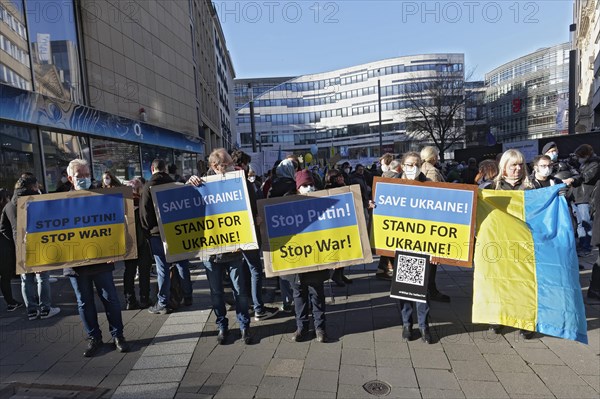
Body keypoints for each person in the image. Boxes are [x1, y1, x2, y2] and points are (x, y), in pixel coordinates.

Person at [65, 159, 129, 356]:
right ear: (70, 178)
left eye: (86, 175)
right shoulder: (60, 202)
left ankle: (118, 335)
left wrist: (115, 250)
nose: (84, 178)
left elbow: (116, 225)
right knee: (84, 302)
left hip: (101, 260)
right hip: (76, 263)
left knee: (110, 299)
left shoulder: (102, 198)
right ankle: (94, 338)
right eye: (79, 176)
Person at [188, 148, 252, 344]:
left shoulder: (238, 182)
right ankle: (222, 326)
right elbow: (183, 204)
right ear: (215, 166)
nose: (231, 167)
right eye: (227, 165)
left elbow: (251, 202)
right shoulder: (200, 184)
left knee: (240, 291)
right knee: (216, 293)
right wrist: (188, 184)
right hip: (210, 253)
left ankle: (244, 326)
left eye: (231, 164)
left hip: (234, 249)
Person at [485, 149, 535, 339]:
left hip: (525, 244)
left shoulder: (533, 188)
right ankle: (498, 317)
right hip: (500, 244)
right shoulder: (491, 188)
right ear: (504, 167)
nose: (518, 168)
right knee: (499, 282)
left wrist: (561, 194)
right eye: (513, 165)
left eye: (521, 164)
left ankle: (525, 320)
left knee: (525, 283)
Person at [0, 175, 60, 321]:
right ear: (32, 187)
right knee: (42, 278)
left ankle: (32, 311)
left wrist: (15, 240)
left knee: (25, 279)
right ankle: (45, 309)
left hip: (21, 246)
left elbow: (3, 228)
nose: (38, 187)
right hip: (40, 243)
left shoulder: (9, 206)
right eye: (36, 186)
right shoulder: (37, 201)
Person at [230, 149, 279, 322]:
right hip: (248, 233)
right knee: (255, 270)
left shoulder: (222, 178)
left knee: (238, 269)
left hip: (231, 234)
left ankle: (245, 306)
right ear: (243, 164)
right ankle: (258, 308)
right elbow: (253, 203)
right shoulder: (244, 180)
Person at [140, 159, 193, 314]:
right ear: (165, 169)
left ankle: (163, 302)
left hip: (157, 233)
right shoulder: (175, 185)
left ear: (152, 169)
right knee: (182, 263)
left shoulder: (148, 187)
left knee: (162, 267)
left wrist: (147, 232)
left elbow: (144, 213)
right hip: (176, 230)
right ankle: (188, 296)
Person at [395, 152, 433, 343]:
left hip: (423, 244)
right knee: (404, 288)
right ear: (402, 166)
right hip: (401, 242)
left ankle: (424, 326)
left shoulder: (430, 186)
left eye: (417, 164)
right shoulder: (392, 186)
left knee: (422, 291)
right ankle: (407, 324)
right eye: (409, 164)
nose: (413, 168)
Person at [289, 169, 330, 343]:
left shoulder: (323, 202)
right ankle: (302, 328)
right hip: (296, 260)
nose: (309, 188)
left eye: (311, 184)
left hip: (316, 258)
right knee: (299, 296)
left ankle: (320, 328)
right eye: (305, 185)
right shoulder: (287, 204)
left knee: (317, 294)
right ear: (298, 188)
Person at [419, 146, 450, 303]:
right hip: (431, 219)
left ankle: (426, 290)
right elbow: (437, 195)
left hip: (421, 219)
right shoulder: (431, 171)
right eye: (436, 155)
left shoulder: (419, 168)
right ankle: (430, 290)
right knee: (431, 259)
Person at [268, 159, 298, 312]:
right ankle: (298, 298)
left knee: (283, 268)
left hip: (277, 231)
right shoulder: (294, 185)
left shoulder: (273, 185)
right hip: (294, 228)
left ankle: (287, 301)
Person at [564, 144, 600, 257]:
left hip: (586, 197)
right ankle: (582, 245)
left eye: (580, 156)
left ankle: (587, 247)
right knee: (580, 224)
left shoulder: (595, 163)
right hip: (577, 197)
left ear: (586, 154)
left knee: (586, 223)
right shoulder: (583, 164)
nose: (578, 158)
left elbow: (586, 177)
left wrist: (573, 178)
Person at [122, 178, 151, 310]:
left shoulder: (122, 204)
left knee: (129, 272)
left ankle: (130, 300)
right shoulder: (143, 202)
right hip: (143, 242)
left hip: (128, 244)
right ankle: (144, 298)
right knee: (144, 272)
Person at [324, 169, 353, 287]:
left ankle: (340, 273)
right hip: (335, 225)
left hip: (345, 223)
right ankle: (336, 274)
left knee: (346, 250)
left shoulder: (344, 187)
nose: (341, 179)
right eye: (338, 177)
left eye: (342, 176)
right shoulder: (329, 190)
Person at [0, 188, 21, 312]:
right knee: (5, 277)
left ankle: (11, 303)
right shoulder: (7, 209)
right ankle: (11, 303)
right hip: (4, 249)